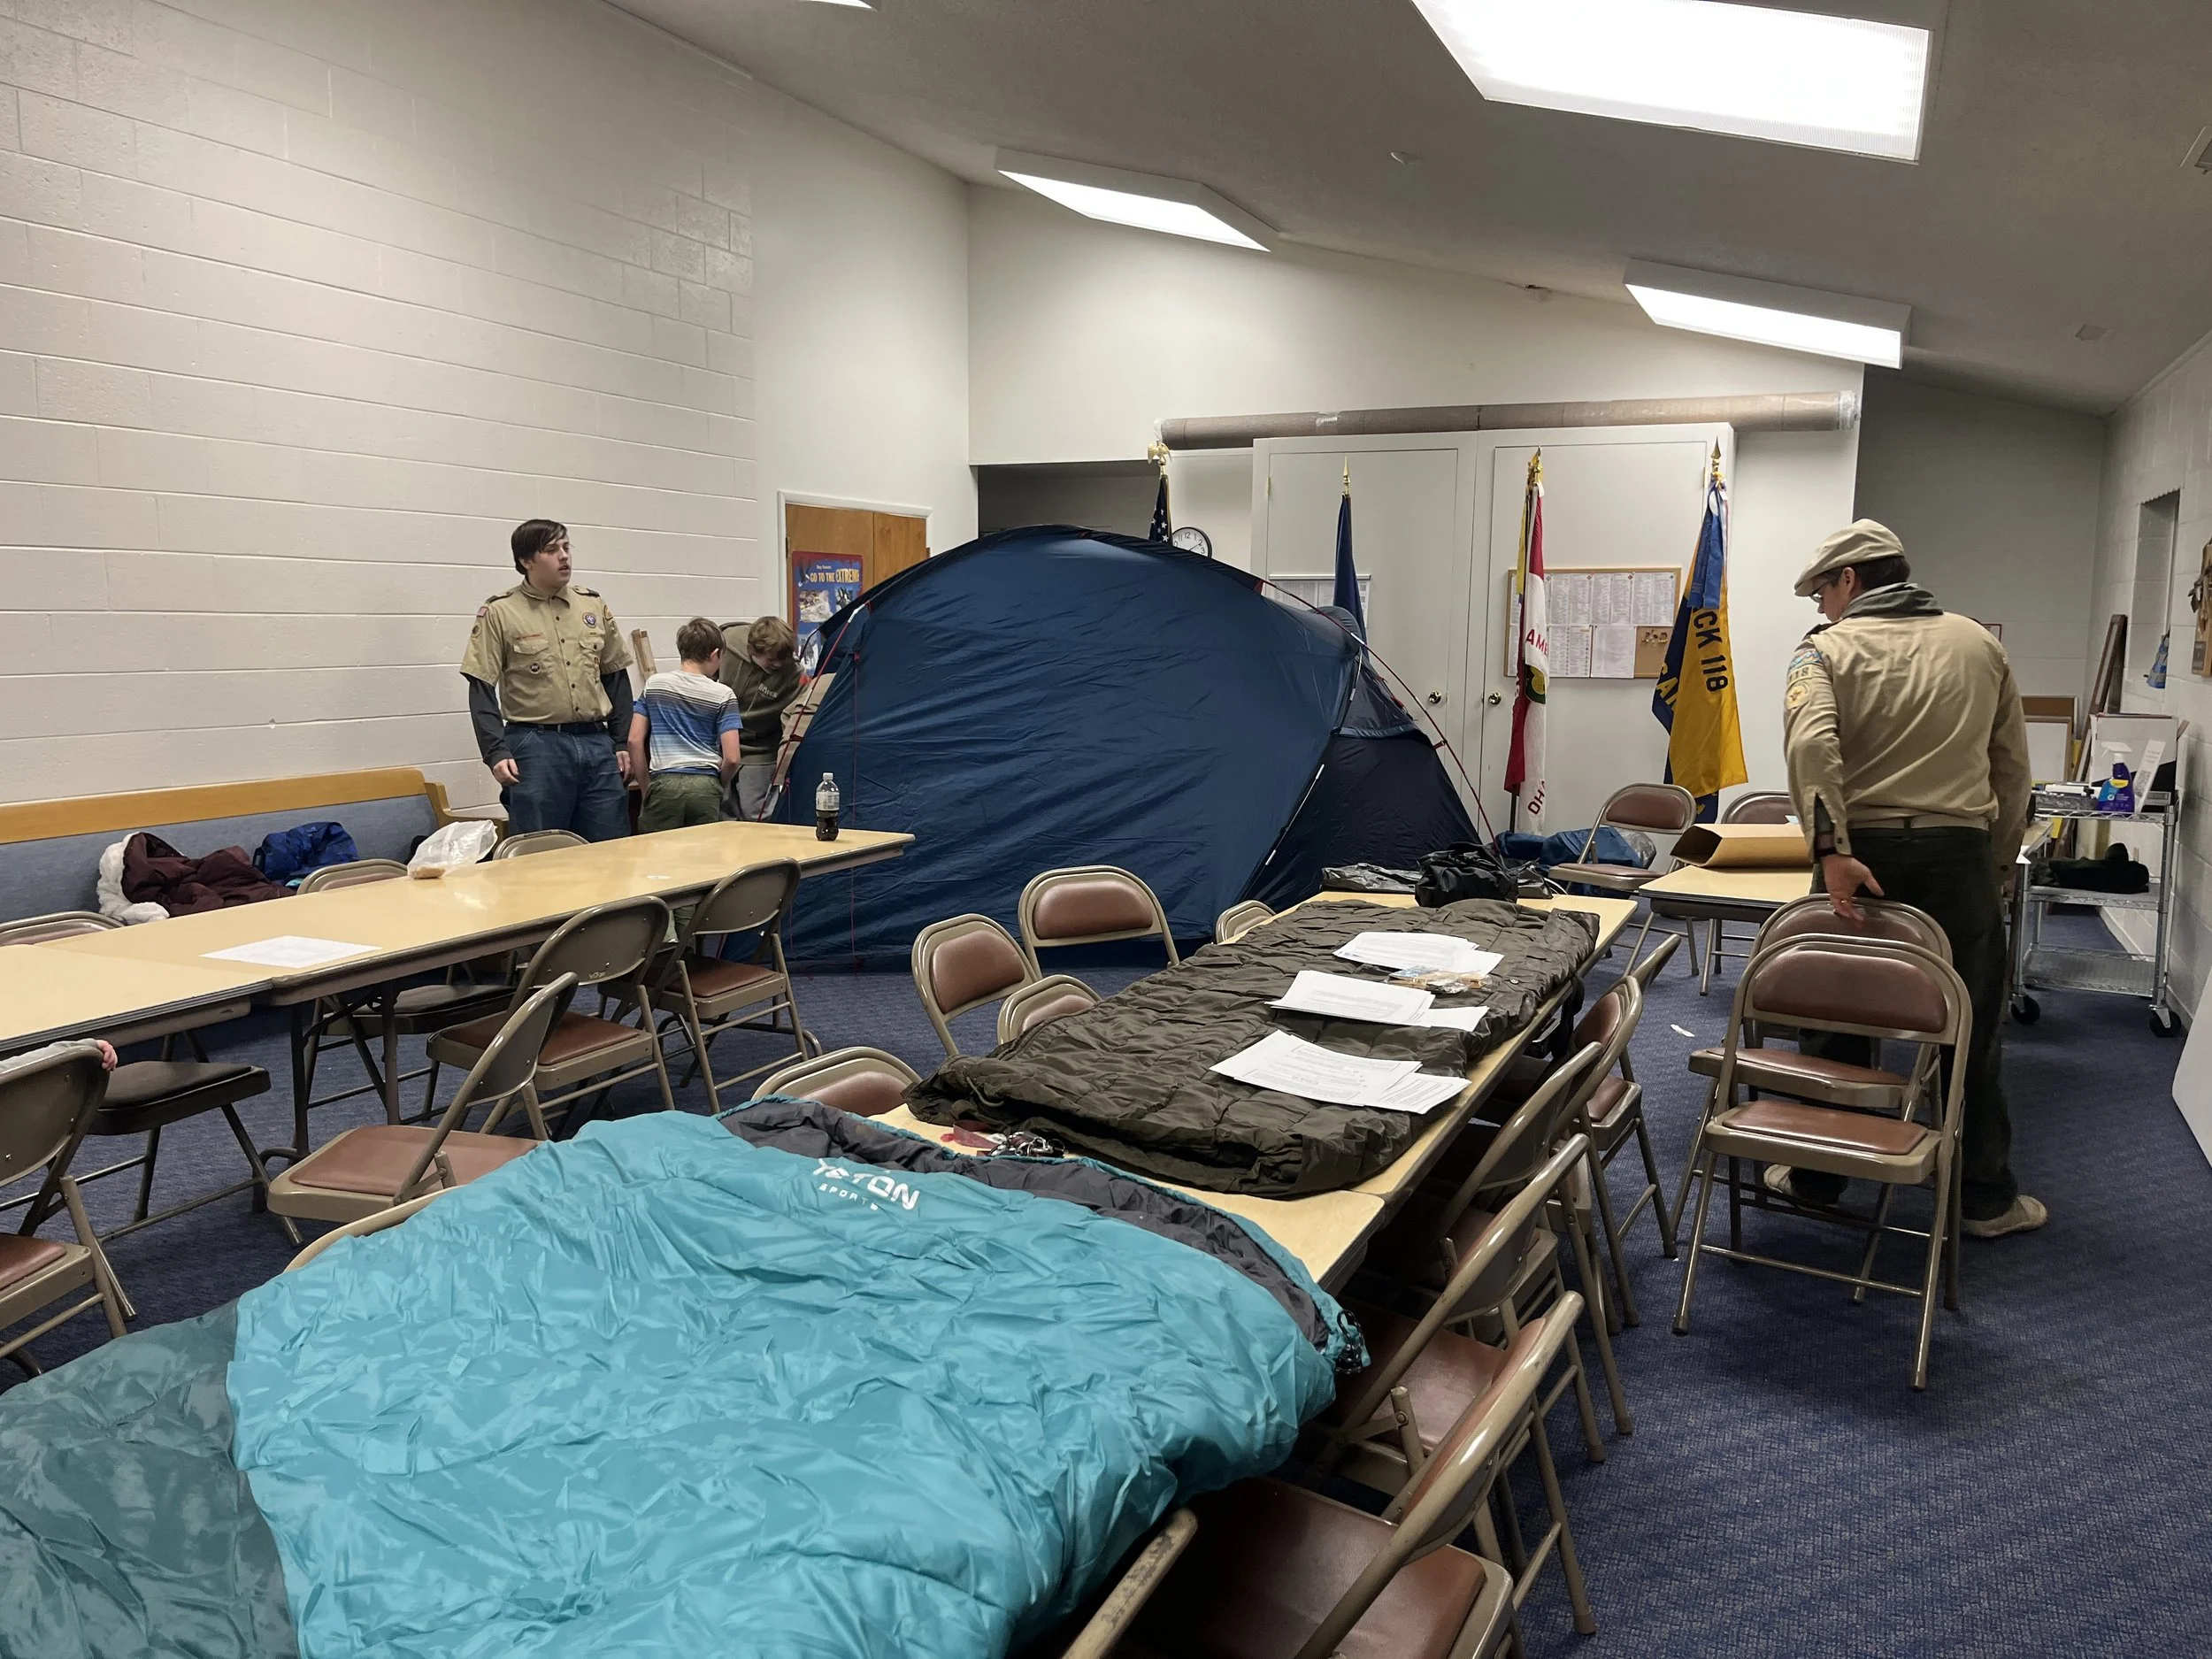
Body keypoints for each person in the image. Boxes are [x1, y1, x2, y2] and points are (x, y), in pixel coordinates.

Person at [1778, 519, 2042, 1238]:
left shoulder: (1824, 651)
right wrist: (1995, 862)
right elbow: (2013, 770)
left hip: (1858, 859)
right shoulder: (1980, 644)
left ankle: (1821, 1176)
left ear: (1850, 581)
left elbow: (1811, 743)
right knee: (1972, 1025)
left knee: (1834, 1016)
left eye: (1821, 593)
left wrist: (1829, 848)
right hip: (1959, 857)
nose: (1820, 609)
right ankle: (1984, 1199)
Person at [460, 520, 634, 841]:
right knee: (541, 853)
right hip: (536, 746)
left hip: (598, 743)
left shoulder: (592, 605)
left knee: (612, 849)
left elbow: (616, 677)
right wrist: (495, 751)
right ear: (526, 561)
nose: (564, 557)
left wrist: (622, 741)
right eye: (552, 550)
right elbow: (481, 687)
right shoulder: (501, 612)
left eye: (567, 548)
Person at [629, 618, 745, 833]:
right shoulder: (723, 694)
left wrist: (647, 789)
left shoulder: (654, 685)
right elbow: (732, 758)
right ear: (714, 654)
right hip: (705, 784)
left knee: (655, 855)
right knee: (703, 859)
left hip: (663, 783)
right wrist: (716, 785)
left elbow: (634, 741)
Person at [718, 616, 802, 820]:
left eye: (783, 658)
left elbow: (793, 717)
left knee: (758, 814)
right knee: (722, 813)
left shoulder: (794, 675)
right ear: (753, 650)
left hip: (760, 750)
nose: (777, 664)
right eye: (771, 658)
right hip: (721, 744)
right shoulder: (727, 643)